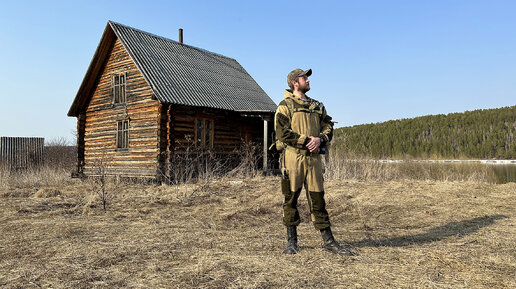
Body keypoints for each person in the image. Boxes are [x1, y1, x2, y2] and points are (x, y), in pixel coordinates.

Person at [274, 68, 354, 255]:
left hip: (314, 159)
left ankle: (329, 241)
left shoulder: (317, 106)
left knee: (318, 200)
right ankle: (291, 242)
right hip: (293, 159)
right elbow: (282, 133)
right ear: (295, 82)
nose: (308, 80)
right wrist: (306, 141)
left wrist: (320, 139)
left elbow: (328, 126)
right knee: (290, 199)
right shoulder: (285, 105)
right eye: (304, 78)